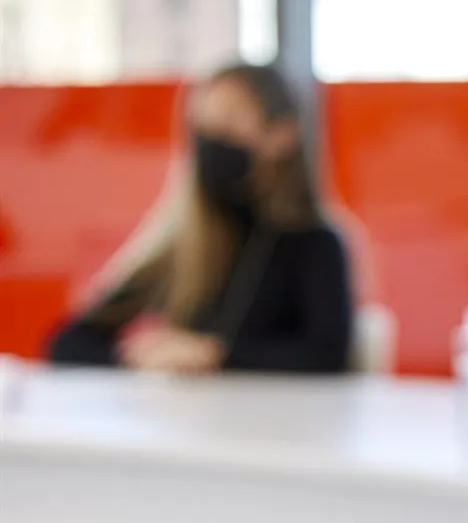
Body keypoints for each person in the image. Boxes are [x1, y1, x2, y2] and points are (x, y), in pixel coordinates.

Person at [46, 62, 352, 374]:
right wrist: (135, 357)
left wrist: (215, 356)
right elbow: (69, 342)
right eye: (201, 128)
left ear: (281, 134)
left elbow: (327, 356)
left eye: (227, 123)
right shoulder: (184, 243)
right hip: (188, 420)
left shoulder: (316, 244)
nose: (211, 142)